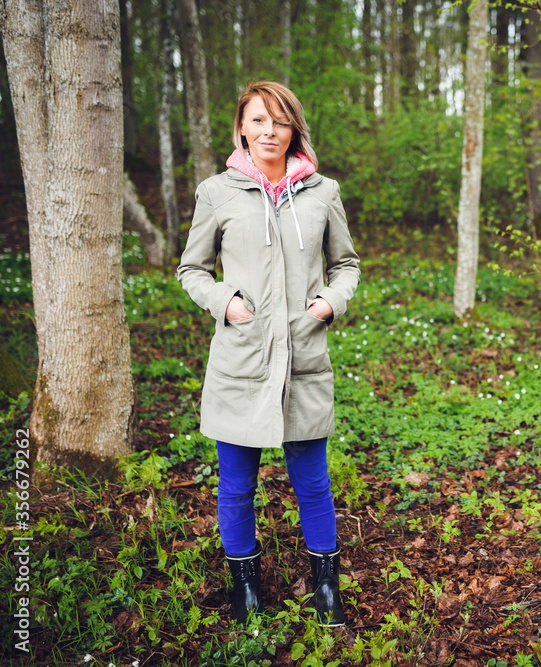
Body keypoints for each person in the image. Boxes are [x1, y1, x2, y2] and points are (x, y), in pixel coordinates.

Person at [177, 80, 359, 627]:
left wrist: (327, 304)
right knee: (236, 485)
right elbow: (192, 269)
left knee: (314, 482)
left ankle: (326, 587)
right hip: (242, 360)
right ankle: (245, 589)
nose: (269, 131)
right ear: (242, 128)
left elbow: (346, 264)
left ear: (294, 130)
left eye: (280, 121)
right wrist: (225, 302)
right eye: (258, 120)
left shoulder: (324, 192)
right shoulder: (217, 193)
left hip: (304, 357)